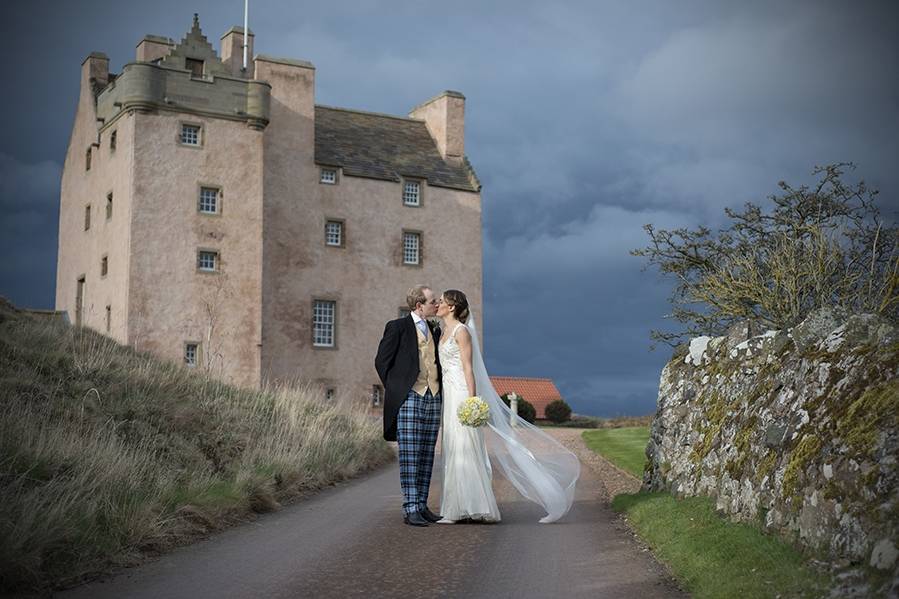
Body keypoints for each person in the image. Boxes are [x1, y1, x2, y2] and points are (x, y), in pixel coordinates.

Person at [435, 290, 580, 524]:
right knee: (454, 449)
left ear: (452, 307)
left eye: (441, 301)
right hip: (449, 395)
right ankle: (457, 507)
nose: (438, 304)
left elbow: (468, 369)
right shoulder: (443, 331)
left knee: (467, 448)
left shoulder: (462, 332)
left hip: (462, 393)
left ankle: (476, 506)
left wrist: (471, 401)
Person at [375, 285, 443, 527]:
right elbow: (381, 361)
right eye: (432, 301)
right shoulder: (397, 327)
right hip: (410, 397)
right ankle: (410, 507)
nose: (437, 304)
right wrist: (397, 388)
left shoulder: (435, 329)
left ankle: (422, 505)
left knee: (426, 454)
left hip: (434, 397)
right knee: (410, 455)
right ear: (418, 306)